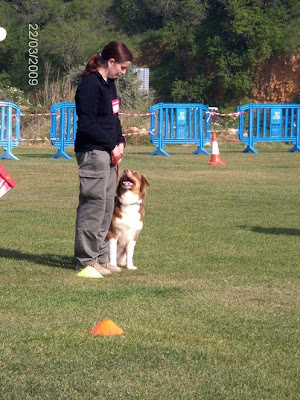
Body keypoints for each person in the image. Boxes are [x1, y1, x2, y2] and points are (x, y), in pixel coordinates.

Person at [74, 41, 133, 275]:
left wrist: (120, 142)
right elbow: (86, 124)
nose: (123, 72)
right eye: (123, 67)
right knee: (93, 206)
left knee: (108, 205)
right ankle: (86, 261)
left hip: (109, 153)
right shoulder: (90, 85)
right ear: (110, 62)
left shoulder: (110, 85)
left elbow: (114, 119)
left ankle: (100, 257)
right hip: (93, 152)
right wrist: (111, 145)